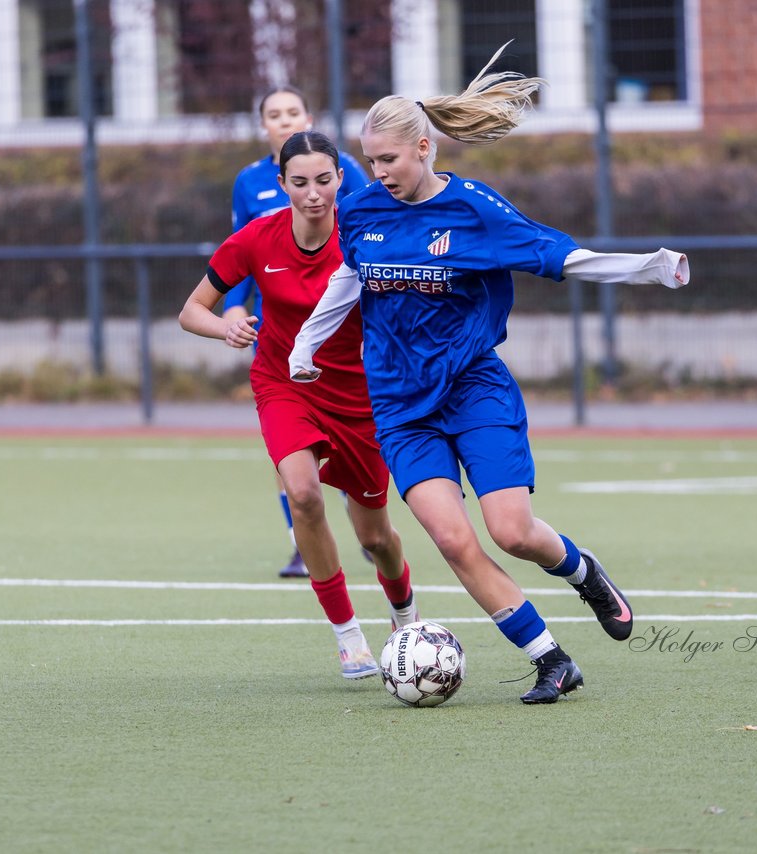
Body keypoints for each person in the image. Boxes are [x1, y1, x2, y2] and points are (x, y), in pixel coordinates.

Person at [288, 43, 690, 704]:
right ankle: (550, 660)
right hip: (400, 405)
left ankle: (583, 572)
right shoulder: (360, 211)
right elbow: (349, 277)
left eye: (388, 159)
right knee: (452, 540)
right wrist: (307, 343)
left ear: (424, 148)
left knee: (511, 531)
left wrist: (646, 268)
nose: (377, 173)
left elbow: (561, 255)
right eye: (370, 161)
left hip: (473, 389)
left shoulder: (475, 209)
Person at [180, 129, 420, 681]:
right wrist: (225, 327)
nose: (313, 193)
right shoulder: (256, 238)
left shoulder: (366, 235)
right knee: (303, 494)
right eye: (300, 182)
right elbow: (192, 310)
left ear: (340, 180)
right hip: (283, 384)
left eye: (324, 180)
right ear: (282, 183)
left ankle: (406, 616)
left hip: (358, 396)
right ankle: (348, 637)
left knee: (376, 538)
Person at [224, 85, 370, 579]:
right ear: (263, 124)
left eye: (293, 112)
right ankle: (299, 543)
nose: (284, 120)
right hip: (279, 334)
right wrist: (232, 309)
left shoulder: (341, 170)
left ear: (308, 118)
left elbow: (370, 236)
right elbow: (239, 252)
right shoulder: (249, 181)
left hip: (344, 332)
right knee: (287, 443)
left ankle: (365, 521)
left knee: (348, 435)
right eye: (274, 114)